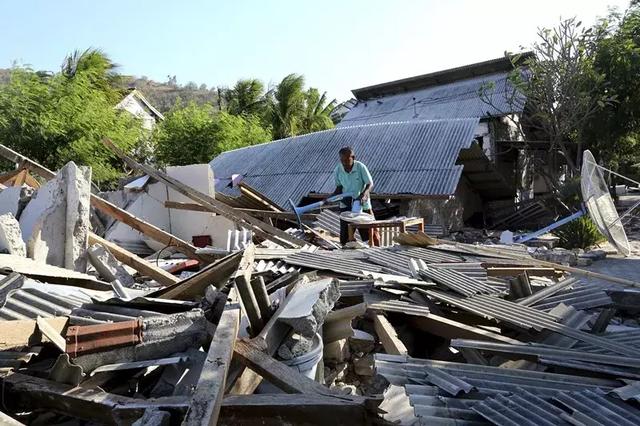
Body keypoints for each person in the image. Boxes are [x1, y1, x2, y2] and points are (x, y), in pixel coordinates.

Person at [332, 147, 380, 246]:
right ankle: (346, 254)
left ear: (353, 157)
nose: (344, 163)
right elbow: (339, 188)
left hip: (362, 204)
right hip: (346, 205)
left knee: (371, 234)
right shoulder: (338, 170)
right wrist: (330, 198)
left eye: (347, 160)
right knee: (344, 238)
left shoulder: (360, 167)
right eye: (342, 160)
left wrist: (364, 194)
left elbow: (370, 184)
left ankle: (377, 252)